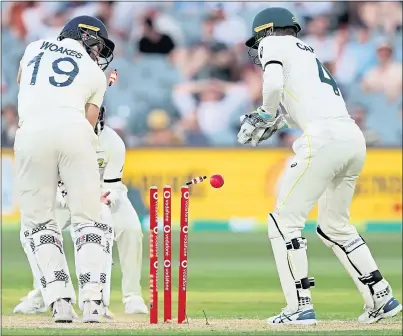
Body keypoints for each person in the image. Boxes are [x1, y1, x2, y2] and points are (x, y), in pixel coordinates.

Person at [238, 7, 402, 325]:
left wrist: (264, 114)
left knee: (283, 221)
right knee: (335, 227)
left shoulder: (274, 43)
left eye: (258, 37)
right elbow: (298, 102)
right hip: (352, 138)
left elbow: (271, 88)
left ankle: (299, 306)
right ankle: (381, 296)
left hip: (324, 138)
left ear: (268, 30)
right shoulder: (307, 54)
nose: (257, 46)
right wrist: (277, 118)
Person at [14, 15, 115, 323]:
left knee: (39, 223)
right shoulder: (96, 76)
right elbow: (89, 121)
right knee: (88, 220)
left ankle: (59, 302)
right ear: (85, 39)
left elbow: (22, 81)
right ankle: (93, 304)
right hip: (74, 132)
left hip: (30, 136)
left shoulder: (34, 48)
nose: (97, 54)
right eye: (96, 47)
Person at [14, 107, 148, 317]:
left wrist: (104, 199)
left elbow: (112, 186)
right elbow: (49, 183)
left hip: (102, 198)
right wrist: (68, 199)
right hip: (63, 200)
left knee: (130, 229)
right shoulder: (56, 140)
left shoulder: (112, 142)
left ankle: (132, 296)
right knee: (30, 231)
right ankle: (43, 293)